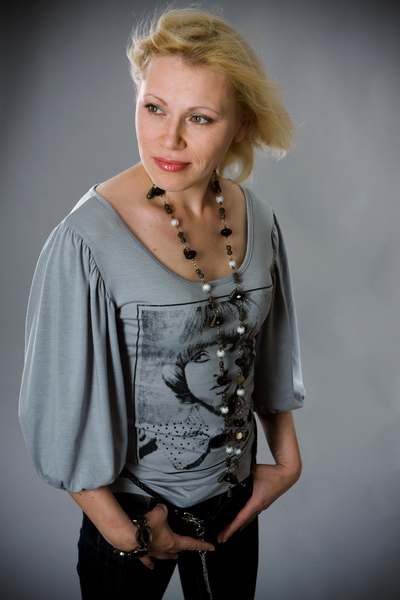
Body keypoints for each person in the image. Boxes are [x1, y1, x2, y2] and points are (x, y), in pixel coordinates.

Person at [19, 7, 305, 600]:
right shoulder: (86, 240)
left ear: (240, 126)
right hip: (132, 514)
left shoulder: (257, 217)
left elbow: (269, 347)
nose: (168, 140)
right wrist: (126, 534)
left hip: (235, 504)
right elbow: (56, 407)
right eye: (154, 108)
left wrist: (287, 461)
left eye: (199, 118)